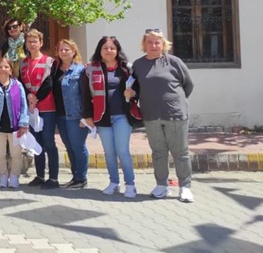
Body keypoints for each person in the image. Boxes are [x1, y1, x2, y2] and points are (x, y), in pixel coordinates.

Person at [130, 29, 195, 203]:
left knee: (180, 152)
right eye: (150, 42)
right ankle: (161, 185)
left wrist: (176, 101)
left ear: (163, 44)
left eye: (157, 42)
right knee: (158, 152)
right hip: (151, 114)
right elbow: (135, 89)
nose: (153, 45)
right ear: (144, 45)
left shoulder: (174, 62)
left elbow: (188, 85)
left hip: (175, 113)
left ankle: (185, 187)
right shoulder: (138, 65)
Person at [81, 36, 141, 199]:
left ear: (117, 50)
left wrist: (132, 93)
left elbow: (138, 90)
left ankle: (130, 184)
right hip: (102, 117)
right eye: (105, 48)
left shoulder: (127, 68)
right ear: (99, 50)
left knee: (122, 151)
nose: (109, 51)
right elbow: (84, 95)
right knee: (109, 152)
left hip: (122, 115)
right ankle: (114, 182)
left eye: (112, 48)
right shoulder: (90, 69)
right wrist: (87, 115)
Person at [20, 29, 60, 189]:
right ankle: (40, 176)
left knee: (49, 142)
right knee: (37, 143)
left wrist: (35, 99)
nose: (32, 44)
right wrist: (28, 96)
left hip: (46, 107)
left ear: (41, 43)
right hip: (31, 109)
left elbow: (49, 83)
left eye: (35, 41)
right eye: (29, 41)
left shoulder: (49, 61)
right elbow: (22, 83)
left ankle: (54, 179)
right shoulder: (23, 63)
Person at [0, 57, 29, 189]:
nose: (3, 69)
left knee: (16, 154)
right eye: (0, 67)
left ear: (11, 70)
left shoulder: (18, 85)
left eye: (6, 67)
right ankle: (3, 177)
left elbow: (23, 104)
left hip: (15, 127)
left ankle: (14, 177)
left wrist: (23, 123)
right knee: (0, 154)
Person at [52, 39, 89, 189]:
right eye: (61, 50)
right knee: (69, 146)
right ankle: (75, 177)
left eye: (67, 49)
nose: (63, 52)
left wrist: (85, 116)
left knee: (78, 146)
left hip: (76, 116)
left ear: (73, 52)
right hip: (60, 115)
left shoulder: (81, 70)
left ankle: (81, 178)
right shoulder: (55, 70)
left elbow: (86, 95)